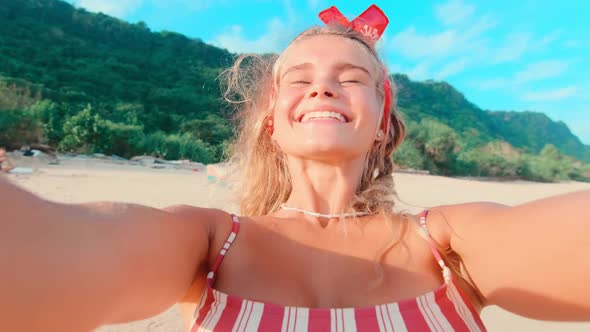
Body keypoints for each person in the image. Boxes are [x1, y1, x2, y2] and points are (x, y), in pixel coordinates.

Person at [1, 4, 589, 331]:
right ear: (269, 121)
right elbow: (48, 257)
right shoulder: (207, 244)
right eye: (299, 79)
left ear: (382, 122)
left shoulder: (449, 244)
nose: (324, 87)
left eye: (352, 77)